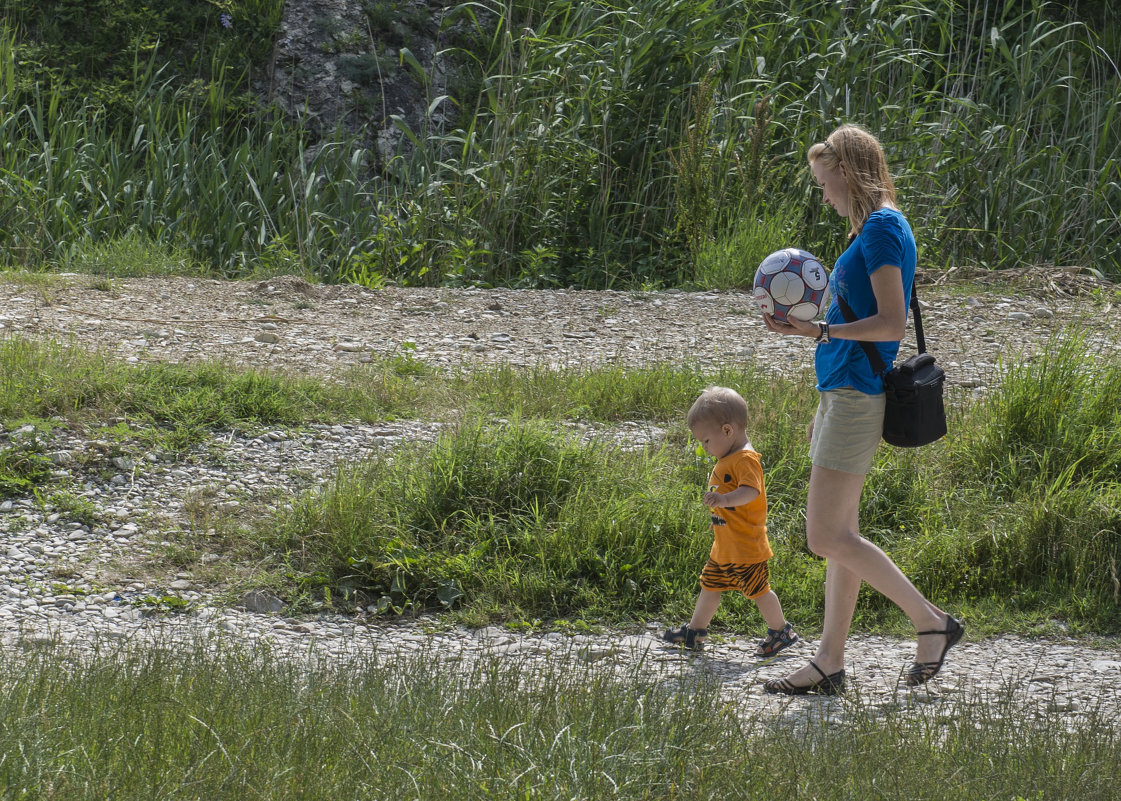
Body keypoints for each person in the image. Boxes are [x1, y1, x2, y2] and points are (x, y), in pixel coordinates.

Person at [760, 124, 962, 695]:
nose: (824, 195)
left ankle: (931, 622)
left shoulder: (880, 229)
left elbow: (892, 325)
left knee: (824, 536)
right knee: (841, 533)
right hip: (842, 392)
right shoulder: (877, 227)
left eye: (826, 182)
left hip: (856, 394)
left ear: (848, 173)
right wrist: (817, 361)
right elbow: (861, 324)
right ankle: (830, 662)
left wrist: (819, 328)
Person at [663, 386, 799, 658]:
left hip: (747, 547)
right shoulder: (729, 457)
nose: (704, 447)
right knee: (710, 585)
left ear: (727, 431)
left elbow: (751, 492)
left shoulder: (746, 459)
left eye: (705, 441)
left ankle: (781, 631)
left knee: (759, 590)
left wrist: (724, 501)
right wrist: (720, 514)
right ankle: (695, 632)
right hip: (725, 546)